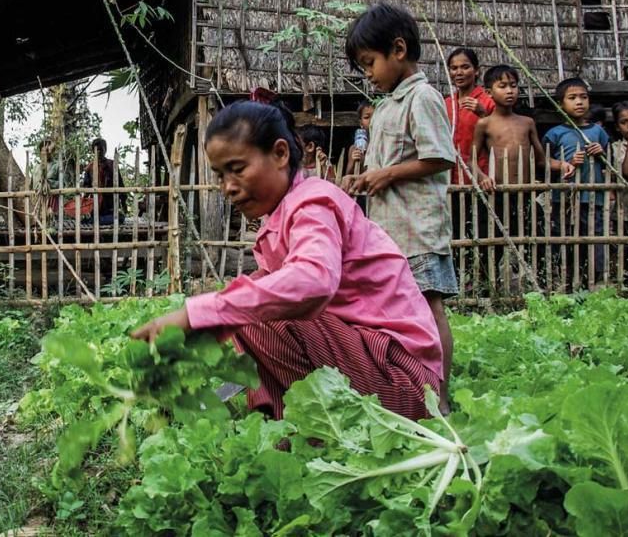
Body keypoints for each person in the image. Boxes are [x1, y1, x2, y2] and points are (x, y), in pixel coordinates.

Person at [130, 98, 443, 421]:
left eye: (237, 170)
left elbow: (311, 282)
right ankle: (289, 425)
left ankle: (310, 426)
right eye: (221, 175)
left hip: (407, 384)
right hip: (377, 369)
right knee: (248, 299)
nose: (228, 188)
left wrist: (197, 313)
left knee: (257, 307)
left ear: (280, 154)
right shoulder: (285, 216)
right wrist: (200, 334)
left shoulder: (314, 203)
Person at [340, 3, 457, 411]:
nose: (368, 74)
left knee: (428, 308)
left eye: (370, 63)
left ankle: (440, 399)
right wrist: (364, 177)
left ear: (399, 50)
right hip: (390, 230)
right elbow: (385, 161)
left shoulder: (422, 97)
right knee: (401, 314)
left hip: (418, 228)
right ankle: (409, 389)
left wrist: (386, 175)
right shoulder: (387, 103)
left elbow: (441, 157)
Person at [471, 65, 571, 287]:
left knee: (537, 240)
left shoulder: (527, 122)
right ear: (488, 92)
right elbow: (472, 160)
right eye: (503, 86)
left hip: (525, 194)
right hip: (497, 194)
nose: (509, 91)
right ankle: (488, 287)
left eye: (513, 86)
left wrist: (562, 164)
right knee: (493, 244)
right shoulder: (484, 124)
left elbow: (541, 159)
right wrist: (482, 177)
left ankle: (543, 284)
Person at [544, 78, 611, 282]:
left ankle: (593, 279)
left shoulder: (598, 132)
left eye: (583, 97)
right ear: (560, 104)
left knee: (595, 237)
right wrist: (567, 162)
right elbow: (542, 161)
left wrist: (601, 152)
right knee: (563, 237)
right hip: (563, 197)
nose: (579, 102)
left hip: (593, 197)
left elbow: (611, 163)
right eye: (572, 98)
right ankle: (566, 279)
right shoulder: (555, 133)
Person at [444, 47, 494, 185]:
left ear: (477, 70)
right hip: (449, 178)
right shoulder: (446, 104)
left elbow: (499, 139)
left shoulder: (488, 102)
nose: (459, 72)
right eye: (454, 68)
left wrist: (483, 114)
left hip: (481, 178)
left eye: (465, 67)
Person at [610, 100, 628, 244]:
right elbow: (627, 173)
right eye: (624, 122)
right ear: (617, 127)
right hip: (625, 210)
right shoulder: (616, 147)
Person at [81, 138, 116, 225]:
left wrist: (123, 203)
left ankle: (96, 221)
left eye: (101, 149)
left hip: (110, 203)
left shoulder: (112, 165)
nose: (99, 152)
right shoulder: (90, 168)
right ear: (93, 151)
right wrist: (84, 204)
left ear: (105, 150)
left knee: (119, 218)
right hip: (95, 204)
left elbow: (120, 184)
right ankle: (96, 220)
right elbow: (86, 187)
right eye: (97, 150)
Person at [344, 100, 375, 176]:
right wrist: (354, 161)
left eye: (375, 116)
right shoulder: (354, 148)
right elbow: (347, 175)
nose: (372, 121)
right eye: (367, 117)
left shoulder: (384, 144)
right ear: (361, 123)